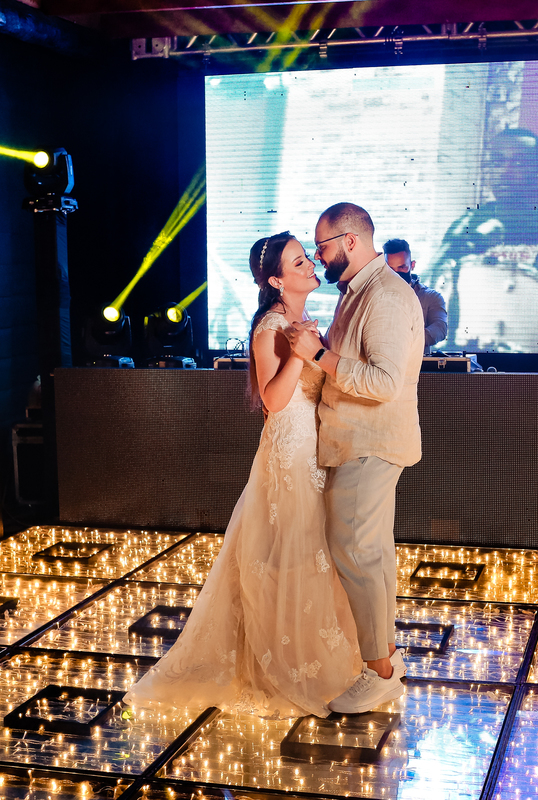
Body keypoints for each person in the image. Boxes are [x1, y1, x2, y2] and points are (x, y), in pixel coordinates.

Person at [123, 231, 362, 718]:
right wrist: (301, 353)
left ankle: (320, 658)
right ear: (276, 280)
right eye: (300, 262)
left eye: (308, 258)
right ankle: (287, 666)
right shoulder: (271, 327)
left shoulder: (302, 321)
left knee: (315, 554)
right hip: (291, 450)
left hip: (316, 446)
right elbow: (274, 402)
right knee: (291, 554)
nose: (312, 264)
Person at [287, 202, 424, 714]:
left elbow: (385, 383)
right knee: (370, 556)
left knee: (358, 555)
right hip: (355, 441)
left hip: (370, 442)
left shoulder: (385, 295)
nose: (318, 257)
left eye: (321, 247)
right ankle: (384, 658)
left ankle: (380, 671)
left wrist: (316, 354)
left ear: (349, 241)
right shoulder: (357, 291)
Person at [421, 127, 538, 352]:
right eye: (497, 162)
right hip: (466, 354)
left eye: (519, 163)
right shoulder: (466, 225)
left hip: (536, 359)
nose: (505, 171)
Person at [383, 238, 448, 353]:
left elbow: (440, 328)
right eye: (390, 269)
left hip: (418, 368)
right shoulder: (375, 295)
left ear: (412, 265)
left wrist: (405, 340)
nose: (396, 273)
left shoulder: (431, 297)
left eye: (402, 267)